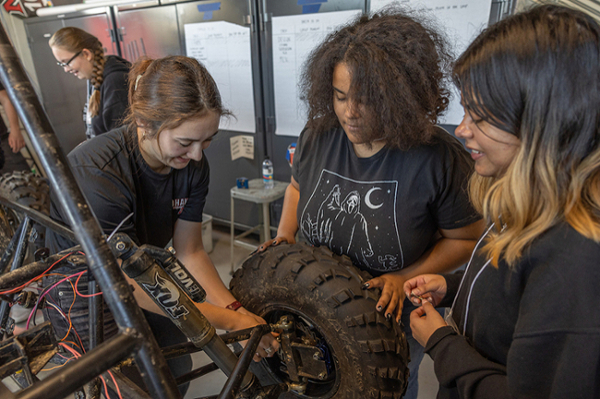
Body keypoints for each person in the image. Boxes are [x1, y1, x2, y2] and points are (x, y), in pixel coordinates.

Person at [260, 8, 485, 398]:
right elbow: (298, 186)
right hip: (312, 312)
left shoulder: (438, 158)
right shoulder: (319, 134)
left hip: (385, 331)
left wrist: (405, 277)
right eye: (340, 96)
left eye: (365, 100)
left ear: (401, 95)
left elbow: (465, 240)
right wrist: (285, 235)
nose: (349, 112)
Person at [44, 56, 279, 394]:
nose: (198, 155)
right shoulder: (98, 174)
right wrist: (229, 321)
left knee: (173, 363)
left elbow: (190, 250)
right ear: (144, 122)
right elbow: (122, 284)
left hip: (141, 269)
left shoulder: (193, 166)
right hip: (84, 287)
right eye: (185, 142)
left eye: (208, 139)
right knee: (122, 384)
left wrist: (235, 311)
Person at [404, 5, 600, 398]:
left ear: (543, 122)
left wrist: (442, 343)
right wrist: (453, 287)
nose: (462, 131)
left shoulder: (576, 259)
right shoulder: (528, 202)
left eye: (481, 117)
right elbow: (511, 295)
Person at [49, 27, 130, 139]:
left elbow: (123, 139)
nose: (66, 69)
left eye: (66, 62)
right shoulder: (94, 78)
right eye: (62, 64)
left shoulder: (114, 81)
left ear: (86, 54)